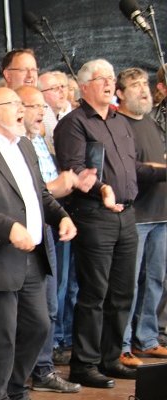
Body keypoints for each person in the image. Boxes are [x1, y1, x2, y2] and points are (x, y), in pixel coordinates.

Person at [0, 87, 77, 400]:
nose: (23, 109)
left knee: (39, 327)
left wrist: (61, 215)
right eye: (14, 104)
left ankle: (15, 388)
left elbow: (40, 195)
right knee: (2, 337)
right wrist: (9, 228)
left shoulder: (25, 145)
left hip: (33, 256)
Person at [54, 59, 166, 388]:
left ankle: (111, 356)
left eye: (110, 77)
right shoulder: (74, 124)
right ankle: (84, 364)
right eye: (100, 78)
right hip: (94, 215)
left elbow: (134, 171)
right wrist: (103, 189)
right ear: (84, 86)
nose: (107, 83)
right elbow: (76, 170)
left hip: (127, 214)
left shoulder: (119, 122)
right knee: (94, 293)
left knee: (122, 292)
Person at [17, 85, 92, 394]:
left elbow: (47, 192)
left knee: (49, 305)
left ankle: (43, 369)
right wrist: (60, 184)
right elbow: (28, 192)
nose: (40, 112)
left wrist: (68, 188)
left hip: (47, 228)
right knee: (32, 309)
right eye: (33, 106)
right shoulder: (16, 146)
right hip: (23, 233)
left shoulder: (37, 143)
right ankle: (21, 372)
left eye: (41, 107)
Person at [114, 68, 167, 367]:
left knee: (155, 279)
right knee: (128, 284)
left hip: (161, 212)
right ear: (120, 94)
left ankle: (148, 338)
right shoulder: (119, 124)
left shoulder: (150, 121)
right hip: (136, 214)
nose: (143, 90)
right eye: (134, 85)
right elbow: (132, 168)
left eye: (144, 84)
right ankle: (122, 343)